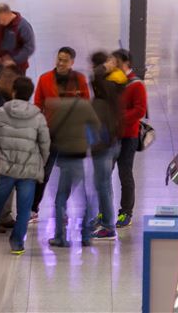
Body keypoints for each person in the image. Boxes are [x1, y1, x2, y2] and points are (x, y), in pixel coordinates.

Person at [0, 76, 50, 255]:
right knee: (24, 210)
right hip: (28, 169)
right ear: (30, 94)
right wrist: (40, 161)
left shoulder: (1, 111)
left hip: (6, 168)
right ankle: (17, 244)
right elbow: (44, 144)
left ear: (14, 92)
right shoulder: (38, 116)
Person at [31, 47, 90, 219]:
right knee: (43, 172)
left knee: (68, 175)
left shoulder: (79, 80)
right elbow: (37, 104)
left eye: (65, 60)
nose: (60, 63)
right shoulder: (45, 79)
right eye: (59, 59)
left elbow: (85, 105)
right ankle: (33, 208)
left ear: (72, 62)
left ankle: (61, 208)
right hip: (49, 133)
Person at [46, 81, 100, 248]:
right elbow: (96, 126)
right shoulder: (85, 106)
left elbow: (52, 128)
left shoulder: (59, 107)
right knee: (85, 198)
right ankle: (85, 235)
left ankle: (60, 237)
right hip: (79, 157)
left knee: (61, 198)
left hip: (63, 157)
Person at [89, 52, 126, 241]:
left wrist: (106, 66)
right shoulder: (112, 88)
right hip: (108, 142)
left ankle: (108, 226)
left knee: (102, 184)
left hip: (105, 144)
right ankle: (105, 218)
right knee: (104, 184)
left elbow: (94, 75)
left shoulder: (109, 89)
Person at [111, 49, 147, 229]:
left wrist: (119, 117)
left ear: (126, 63)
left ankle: (126, 211)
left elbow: (140, 110)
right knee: (103, 175)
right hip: (110, 135)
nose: (113, 65)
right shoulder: (111, 81)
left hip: (128, 137)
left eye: (116, 62)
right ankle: (103, 211)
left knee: (125, 173)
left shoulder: (136, 85)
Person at [0, 4, 35, 76]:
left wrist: (14, 60)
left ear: (9, 14)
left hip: (17, 68)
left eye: (3, 20)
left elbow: (29, 47)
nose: (1, 22)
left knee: (16, 86)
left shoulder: (23, 26)